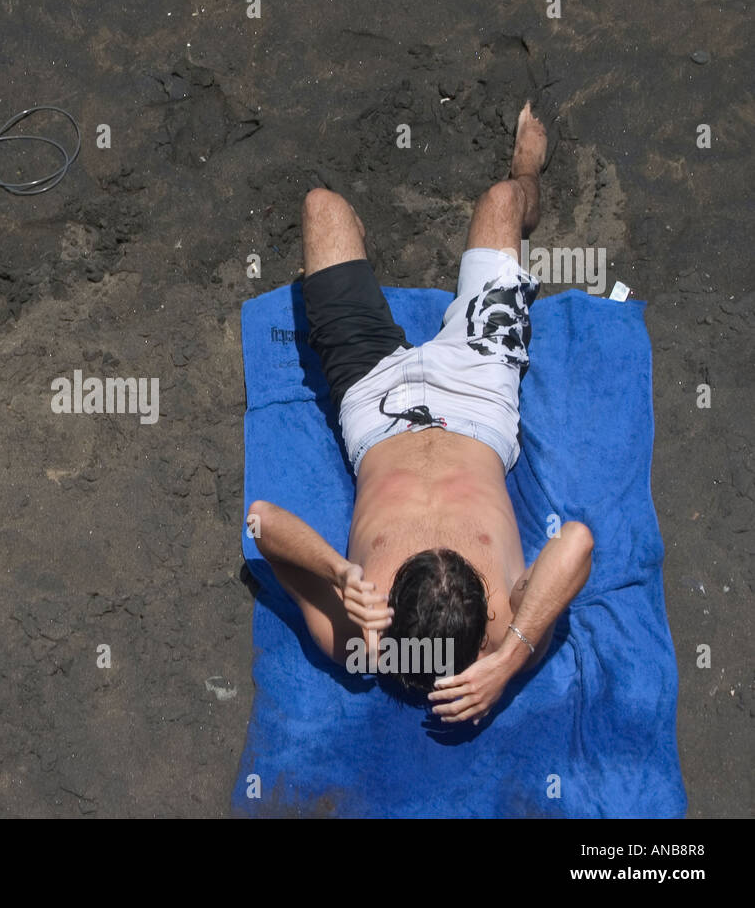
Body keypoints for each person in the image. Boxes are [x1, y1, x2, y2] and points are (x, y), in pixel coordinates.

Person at [247, 102, 593, 725]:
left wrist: (341, 572)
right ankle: (527, 177)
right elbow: (577, 542)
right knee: (500, 201)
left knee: (322, 208)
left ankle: (366, 271)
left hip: (374, 403)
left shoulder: (358, 642)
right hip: (480, 393)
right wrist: (512, 659)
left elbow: (261, 523)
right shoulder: (510, 627)